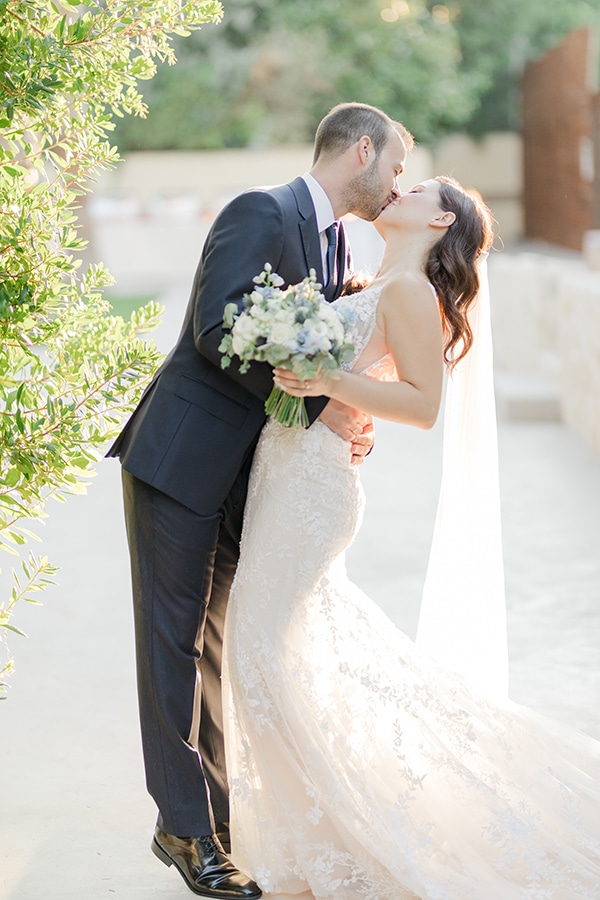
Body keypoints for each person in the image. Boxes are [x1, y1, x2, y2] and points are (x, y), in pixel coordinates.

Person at [221, 177, 600, 898]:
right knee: (279, 651)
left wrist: (327, 381)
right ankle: (320, 831)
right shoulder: (375, 281)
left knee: (260, 648)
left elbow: (423, 405)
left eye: (418, 187)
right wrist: (320, 379)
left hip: (316, 489)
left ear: (441, 218)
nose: (398, 187)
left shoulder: (412, 293)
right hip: (285, 473)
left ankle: (327, 838)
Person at [107, 102, 411, 898]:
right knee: (173, 646)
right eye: (398, 165)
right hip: (181, 459)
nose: (399, 182)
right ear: (363, 150)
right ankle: (184, 830)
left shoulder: (340, 241)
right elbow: (217, 327)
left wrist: (340, 402)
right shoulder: (261, 210)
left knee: (212, 647)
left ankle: (215, 825)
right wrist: (318, 402)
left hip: (249, 476)